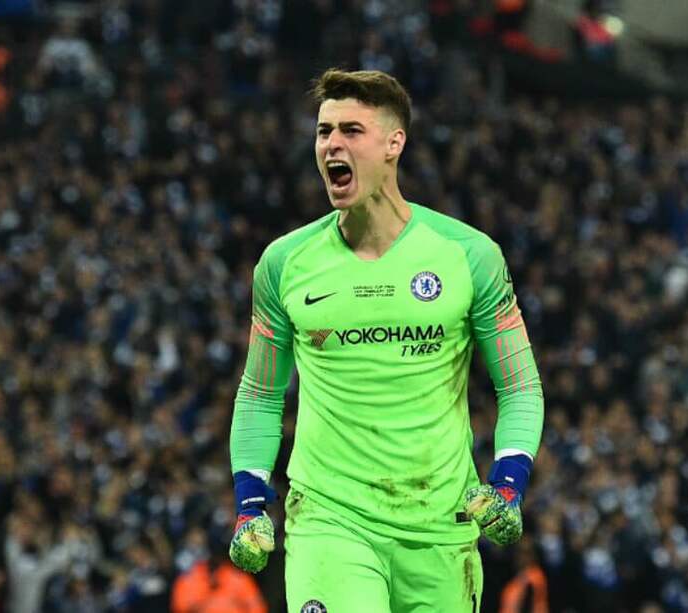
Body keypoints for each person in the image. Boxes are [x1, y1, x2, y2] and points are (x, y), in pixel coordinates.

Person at [227, 68, 544, 613]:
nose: (331, 144)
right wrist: (251, 503)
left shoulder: (470, 256)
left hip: (441, 528)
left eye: (351, 130)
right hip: (331, 522)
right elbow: (259, 394)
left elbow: (520, 386)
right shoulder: (284, 264)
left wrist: (509, 482)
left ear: (394, 143)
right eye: (324, 132)